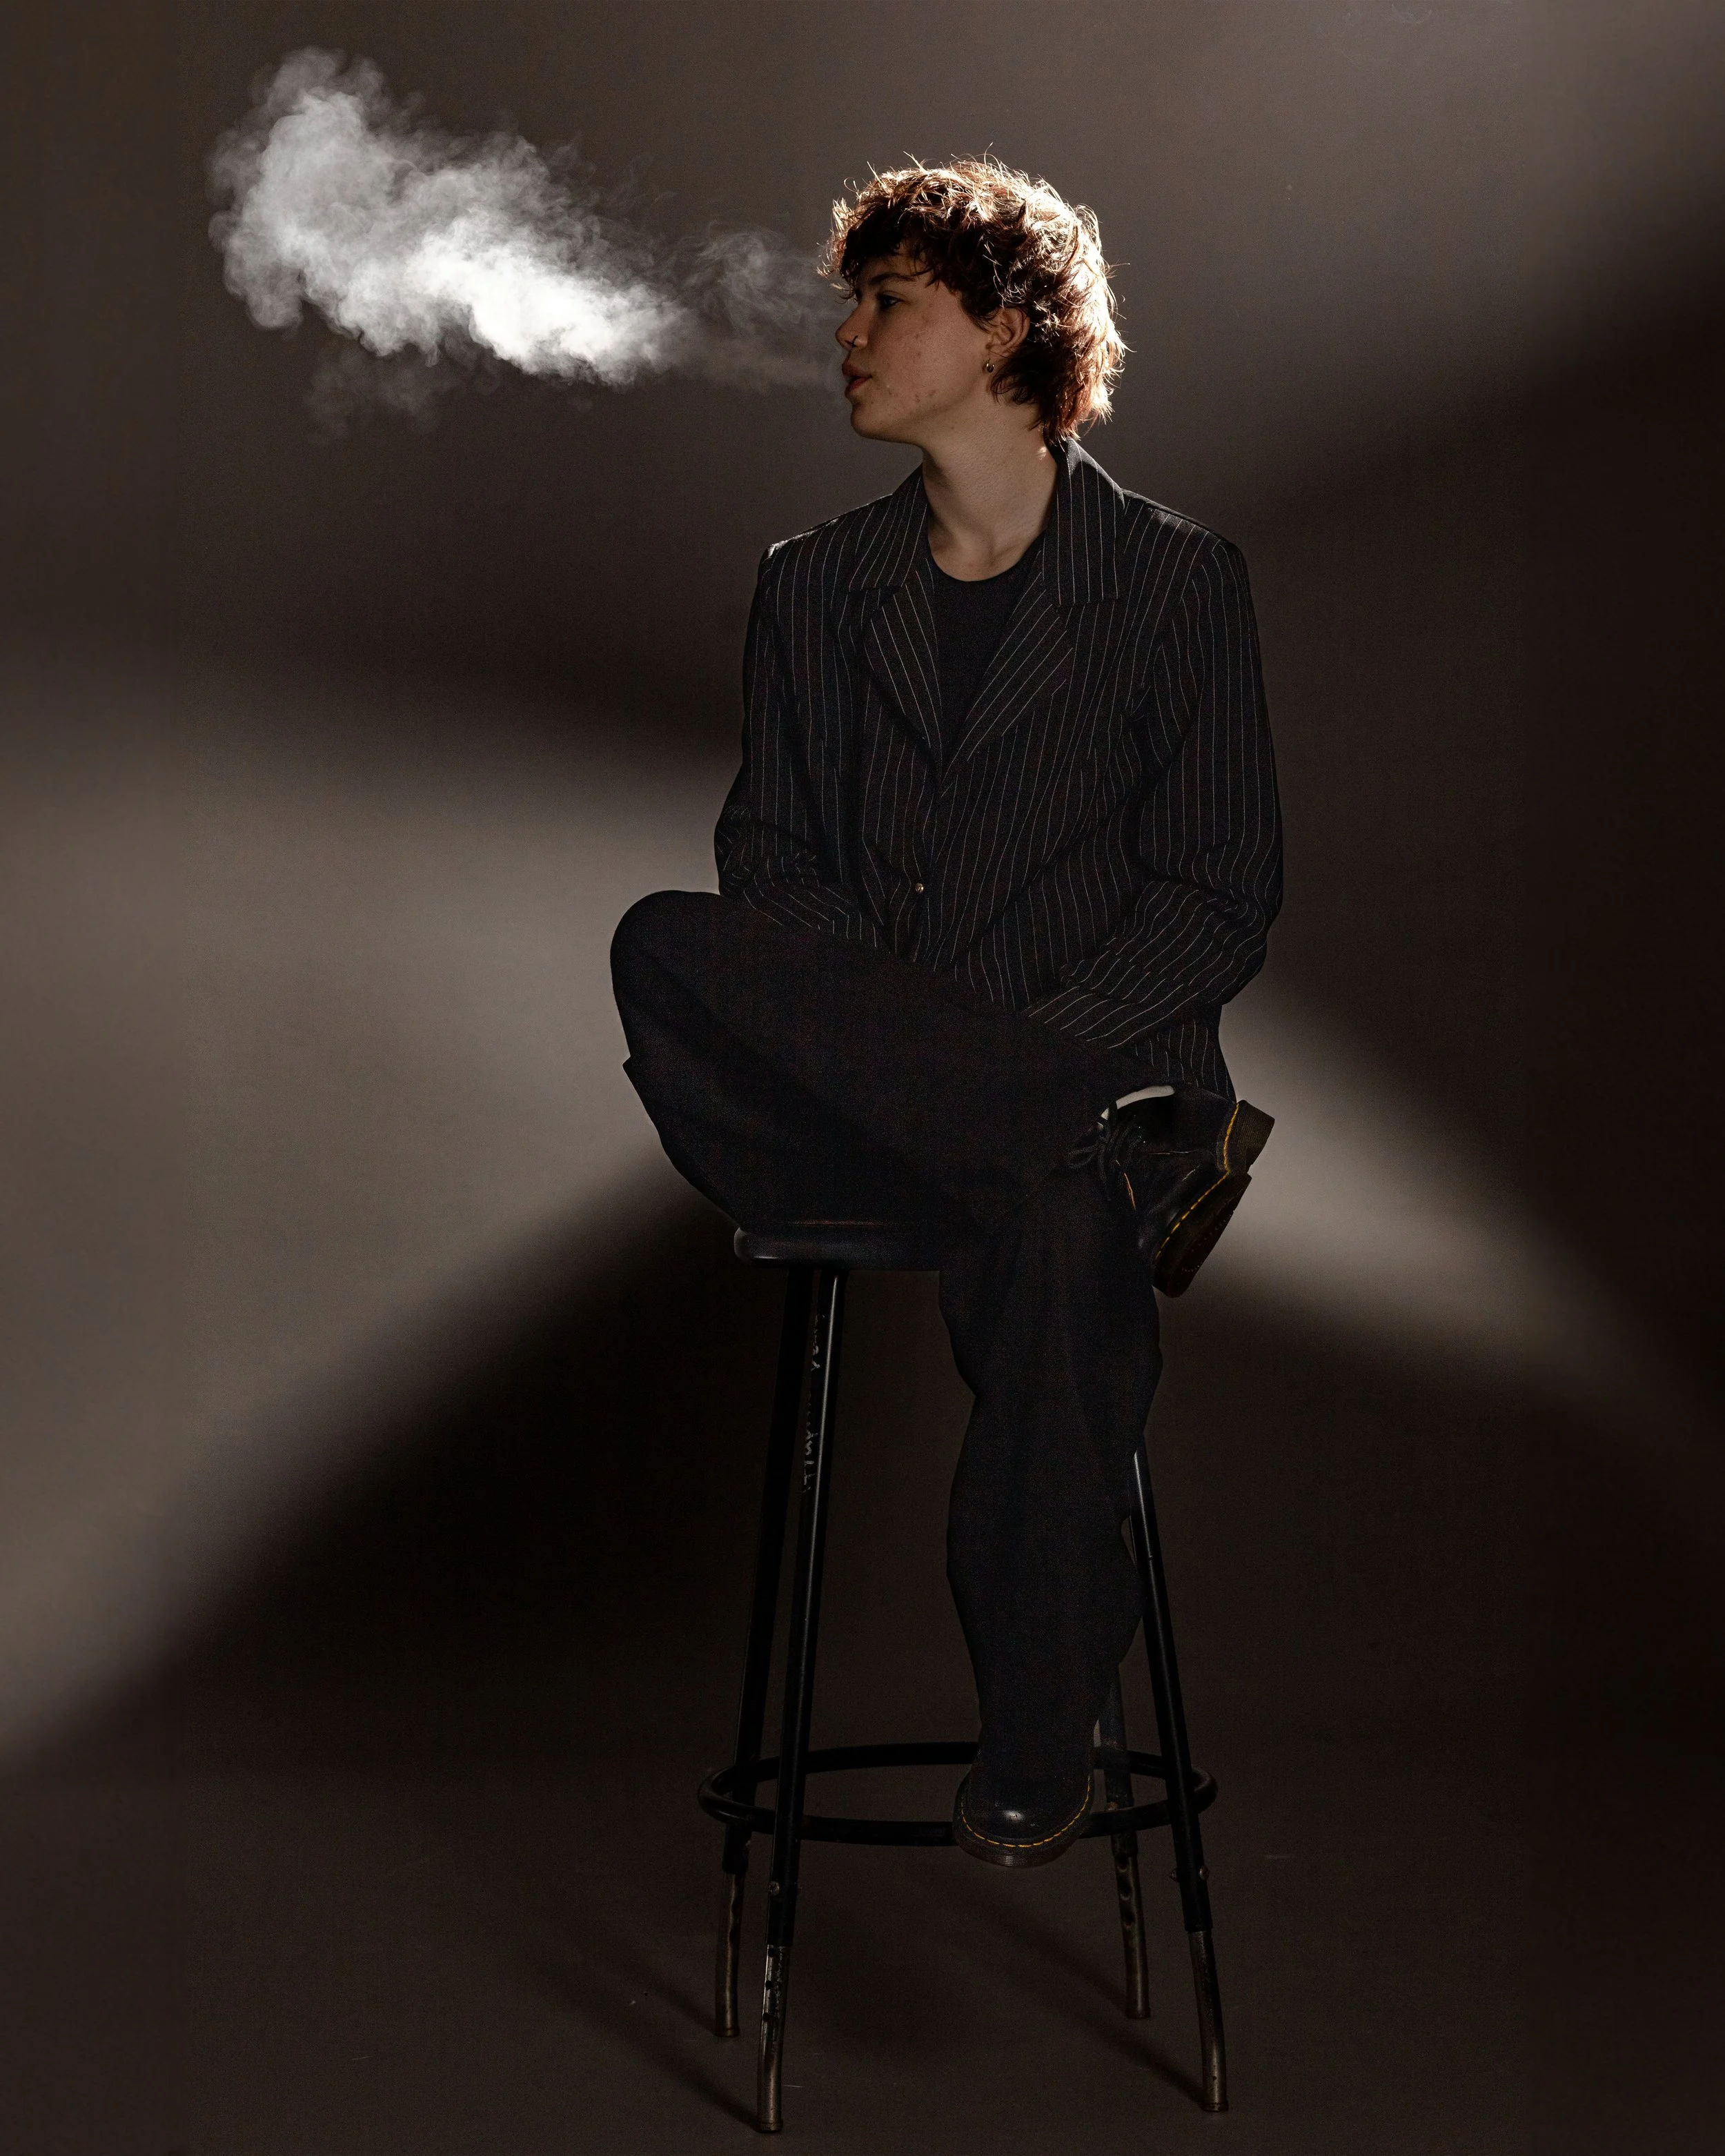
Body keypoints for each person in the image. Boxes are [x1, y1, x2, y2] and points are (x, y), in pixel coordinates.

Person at [611, 159, 1281, 1868]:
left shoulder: (1173, 586)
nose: (846, 337)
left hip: (1054, 1121)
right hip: (897, 1103)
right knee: (667, 941)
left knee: (1057, 1232)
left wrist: (1025, 1047)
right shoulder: (812, 586)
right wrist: (960, 1062)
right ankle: (1063, 1126)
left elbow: (1213, 889)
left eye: (886, 303)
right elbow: (769, 869)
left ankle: (1037, 1726)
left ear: (1005, 328)